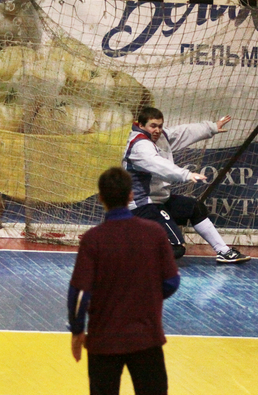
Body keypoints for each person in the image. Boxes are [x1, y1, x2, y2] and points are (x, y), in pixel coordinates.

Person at [68, 167, 180, 395]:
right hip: (146, 337)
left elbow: (79, 294)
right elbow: (171, 282)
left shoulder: (93, 239)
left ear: (100, 198)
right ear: (130, 195)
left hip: (103, 339)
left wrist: (77, 331)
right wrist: (145, 298)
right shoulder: (155, 233)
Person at [123, 106, 250, 263]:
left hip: (159, 201)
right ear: (141, 125)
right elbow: (159, 165)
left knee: (194, 208)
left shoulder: (161, 137)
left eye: (160, 126)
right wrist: (186, 174)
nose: (157, 130)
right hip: (141, 206)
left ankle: (224, 251)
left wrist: (211, 127)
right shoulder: (139, 145)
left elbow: (183, 132)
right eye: (153, 126)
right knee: (176, 248)